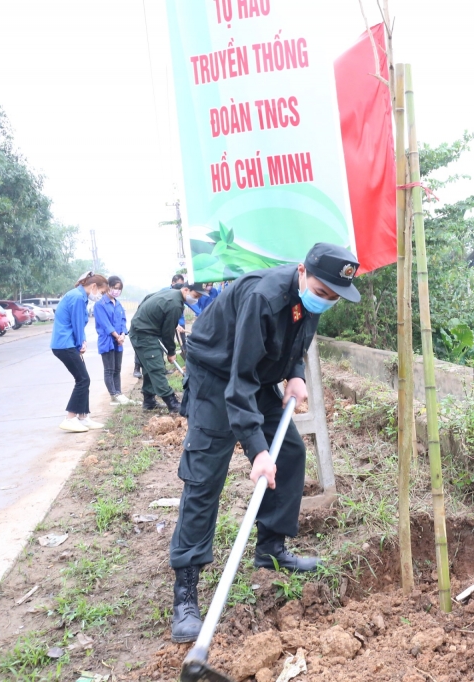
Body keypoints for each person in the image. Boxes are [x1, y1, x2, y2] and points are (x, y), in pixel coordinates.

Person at [168, 243, 359, 643]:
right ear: (303, 272)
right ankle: (185, 591)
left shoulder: (310, 298)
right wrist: (256, 451)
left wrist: (294, 373)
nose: (325, 301)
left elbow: (297, 338)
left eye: (333, 298)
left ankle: (271, 549)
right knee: (205, 474)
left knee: (289, 451)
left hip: (254, 373)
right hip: (217, 373)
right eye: (322, 292)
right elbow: (238, 385)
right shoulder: (263, 297)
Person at [130, 281, 205, 413]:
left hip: (145, 330)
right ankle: (172, 402)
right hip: (143, 334)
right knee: (157, 368)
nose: (196, 299)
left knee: (150, 366)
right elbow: (168, 332)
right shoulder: (175, 304)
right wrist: (171, 352)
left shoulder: (171, 293)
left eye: (199, 297)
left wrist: (147, 317)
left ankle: (149, 401)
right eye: (196, 295)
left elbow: (148, 298)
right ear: (186, 290)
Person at [51, 272, 109, 433]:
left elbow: (79, 325)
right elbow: (77, 324)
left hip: (67, 343)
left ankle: (83, 418)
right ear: (93, 286)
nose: (101, 296)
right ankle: (70, 418)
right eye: (102, 292)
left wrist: (80, 343)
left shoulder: (78, 296)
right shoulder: (77, 298)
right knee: (83, 379)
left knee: (83, 379)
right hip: (65, 344)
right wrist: (79, 344)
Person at [95, 276, 130, 405]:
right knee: (109, 369)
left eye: (119, 289)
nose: (116, 291)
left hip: (118, 341)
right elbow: (105, 324)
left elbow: (123, 321)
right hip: (107, 341)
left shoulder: (119, 303)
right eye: (114, 288)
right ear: (108, 287)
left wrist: (122, 335)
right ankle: (113, 395)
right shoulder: (100, 305)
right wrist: (117, 336)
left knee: (117, 369)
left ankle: (119, 393)